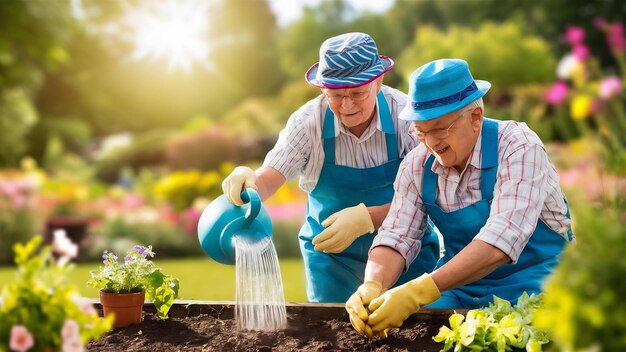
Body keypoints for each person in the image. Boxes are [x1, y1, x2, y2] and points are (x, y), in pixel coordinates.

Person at [346, 58, 575, 337]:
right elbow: (396, 235)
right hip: (461, 288)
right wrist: (373, 284)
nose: (431, 143)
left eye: (439, 129)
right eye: (420, 131)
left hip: (540, 280)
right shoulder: (416, 166)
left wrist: (418, 290)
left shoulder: (519, 148)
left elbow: (500, 241)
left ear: (475, 117)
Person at [221, 32, 440, 303]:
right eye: (335, 95)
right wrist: (250, 181)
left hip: (406, 252)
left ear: (379, 81)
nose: (346, 105)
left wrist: (369, 218)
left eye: (357, 93)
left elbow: (432, 194)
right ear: (323, 90)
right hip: (331, 260)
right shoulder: (306, 124)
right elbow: (267, 181)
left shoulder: (407, 118)